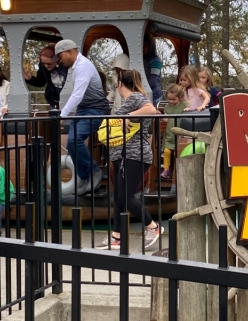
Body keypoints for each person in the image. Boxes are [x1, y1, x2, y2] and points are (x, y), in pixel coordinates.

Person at [97, 69, 162, 250]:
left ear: (119, 84)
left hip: (133, 154)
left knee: (125, 196)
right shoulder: (131, 100)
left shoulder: (135, 98)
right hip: (122, 155)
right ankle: (117, 237)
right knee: (119, 196)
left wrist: (128, 116)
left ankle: (153, 227)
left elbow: (151, 109)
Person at [56, 39, 110, 193]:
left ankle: (93, 172)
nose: (60, 61)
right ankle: (85, 177)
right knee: (70, 144)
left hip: (96, 110)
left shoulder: (83, 66)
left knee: (74, 140)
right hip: (84, 110)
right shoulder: (77, 67)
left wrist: (62, 115)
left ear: (70, 52)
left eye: (60, 57)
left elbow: (78, 94)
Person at [24, 44, 67, 111]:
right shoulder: (43, 67)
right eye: (43, 63)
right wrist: (30, 79)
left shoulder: (66, 65)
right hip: (55, 99)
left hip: (69, 97)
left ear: (56, 59)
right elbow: (41, 82)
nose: (46, 66)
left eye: (49, 63)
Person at [160, 83, 187, 181]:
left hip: (180, 133)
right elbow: (167, 120)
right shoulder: (167, 107)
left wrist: (187, 110)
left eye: (173, 99)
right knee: (167, 151)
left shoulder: (184, 105)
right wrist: (161, 116)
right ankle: (166, 169)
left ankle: (176, 170)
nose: (171, 101)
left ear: (180, 97)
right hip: (169, 134)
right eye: (169, 99)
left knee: (177, 152)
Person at [143, 34, 162, 106]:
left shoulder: (156, 61)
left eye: (145, 46)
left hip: (154, 94)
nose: (143, 49)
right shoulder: (143, 60)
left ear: (150, 47)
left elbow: (154, 79)